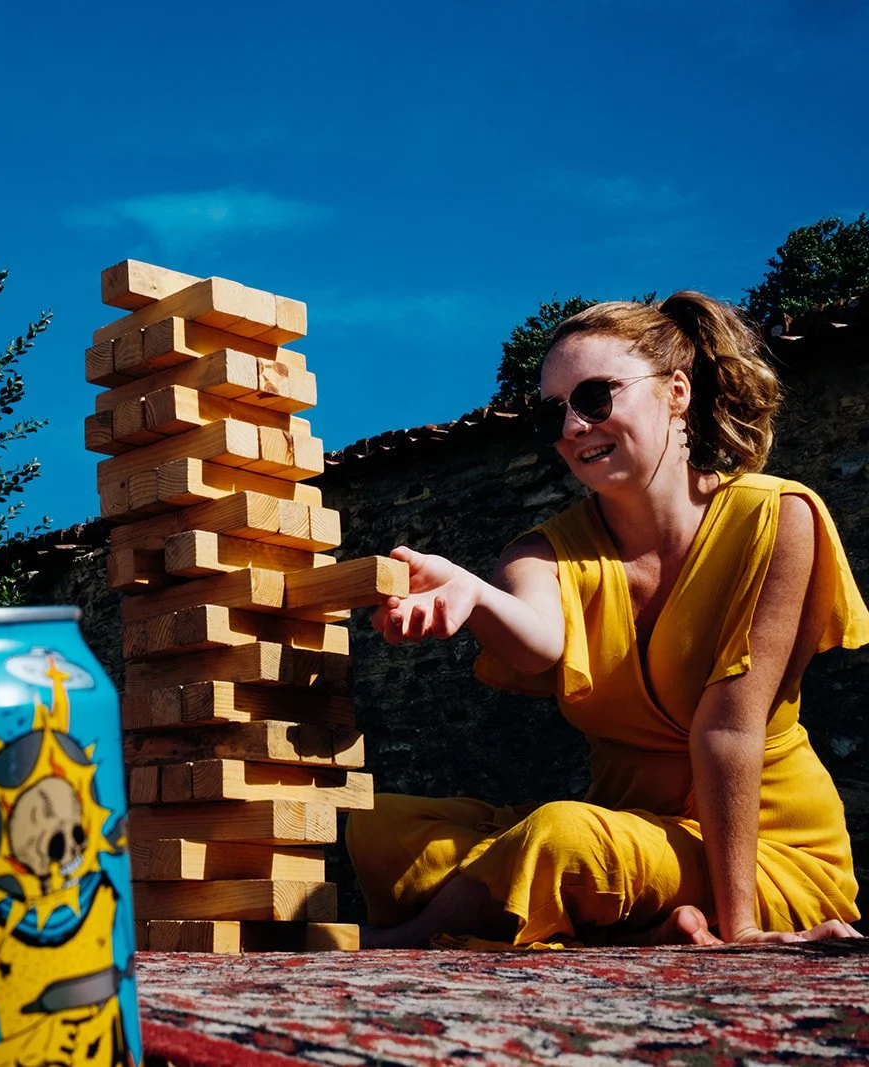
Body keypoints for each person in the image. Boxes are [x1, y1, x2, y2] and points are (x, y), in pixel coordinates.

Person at [349, 291, 867, 948]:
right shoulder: (546, 548)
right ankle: (654, 925)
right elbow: (542, 640)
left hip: (765, 853)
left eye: (595, 397)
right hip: (632, 834)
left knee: (560, 838)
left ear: (676, 392)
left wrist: (744, 932)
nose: (571, 427)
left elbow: (729, 729)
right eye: (552, 415)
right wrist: (474, 594)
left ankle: (396, 943)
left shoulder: (776, 518)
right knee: (382, 825)